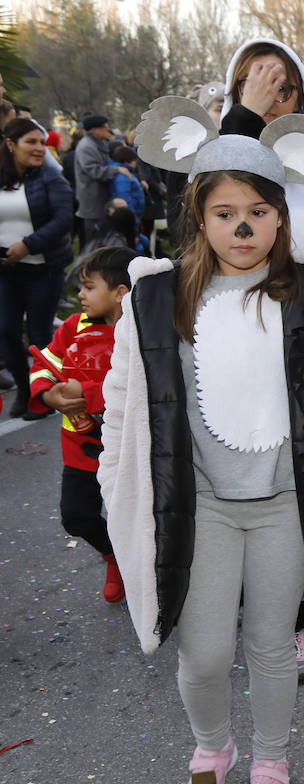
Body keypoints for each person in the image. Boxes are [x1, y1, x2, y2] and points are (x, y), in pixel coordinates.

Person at [103, 97, 304, 784]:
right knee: (205, 647)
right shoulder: (156, 298)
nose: (244, 227)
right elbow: (124, 407)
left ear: (282, 216)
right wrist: (112, 489)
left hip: (286, 500)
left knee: (269, 646)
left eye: (259, 210)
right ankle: (208, 755)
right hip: (204, 504)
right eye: (226, 213)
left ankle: (271, 766)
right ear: (201, 217)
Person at [26, 246, 135, 603]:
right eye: (80, 287)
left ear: (121, 293)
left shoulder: (140, 334)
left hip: (127, 448)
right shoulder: (73, 327)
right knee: (76, 516)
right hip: (79, 448)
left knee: (136, 518)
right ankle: (114, 558)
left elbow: (142, 388)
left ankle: (147, 572)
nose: (80, 295)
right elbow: (43, 366)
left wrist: (88, 393)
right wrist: (47, 395)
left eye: (89, 287)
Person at [221, 38, 304, 266]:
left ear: (300, 97)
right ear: (236, 93)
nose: (268, 98)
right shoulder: (202, 162)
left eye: (280, 88)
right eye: (253, 85)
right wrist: (245, 118)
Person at [0, 118, 74, 418]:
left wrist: (28, 245)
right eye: (31, 142)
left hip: (43, 268)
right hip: (6, 270)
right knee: (5, 331)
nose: (39, 148)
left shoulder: (50, 178)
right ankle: (24, 386)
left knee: (41, 335)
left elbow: (63, 218)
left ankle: (42, 396)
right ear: (10, 144)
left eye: (42, 142)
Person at [74, 114, 130, 244]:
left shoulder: (97, 143)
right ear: (95, 130)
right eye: (105, 127)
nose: (108, 130)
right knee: (93, 240)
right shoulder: (86, 146)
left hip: (100, 198)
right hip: (92, 202)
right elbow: (94, 171)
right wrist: (116, 170)